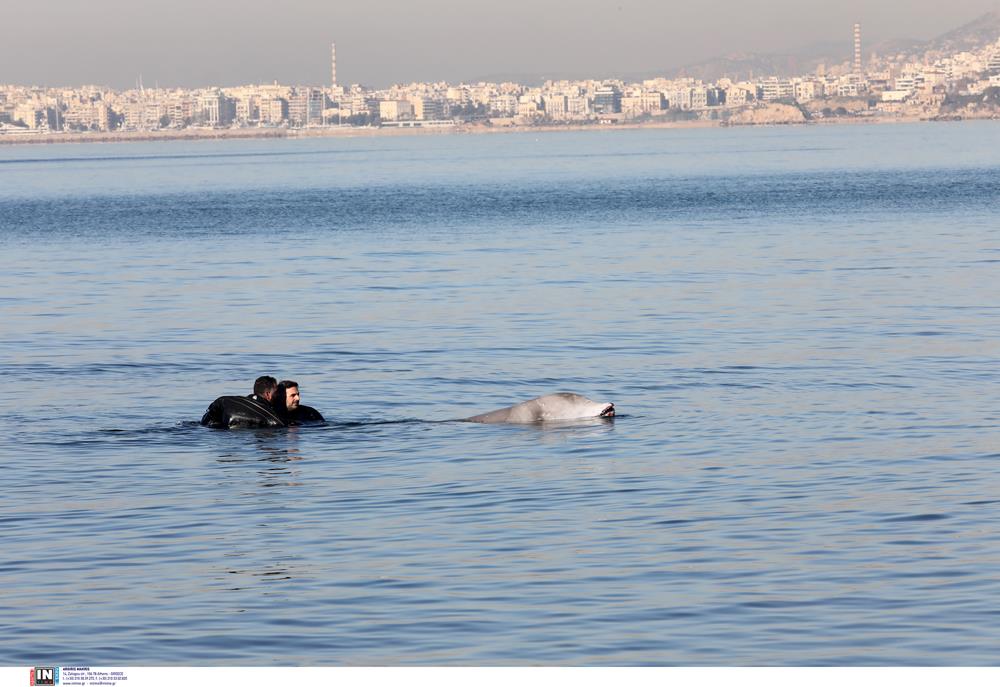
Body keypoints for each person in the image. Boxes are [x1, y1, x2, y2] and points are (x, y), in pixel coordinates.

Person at [201, 375, 287, 428]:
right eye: (277, 393)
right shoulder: (269, 413)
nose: (280, 396)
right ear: (268, 394)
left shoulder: (239, 402)